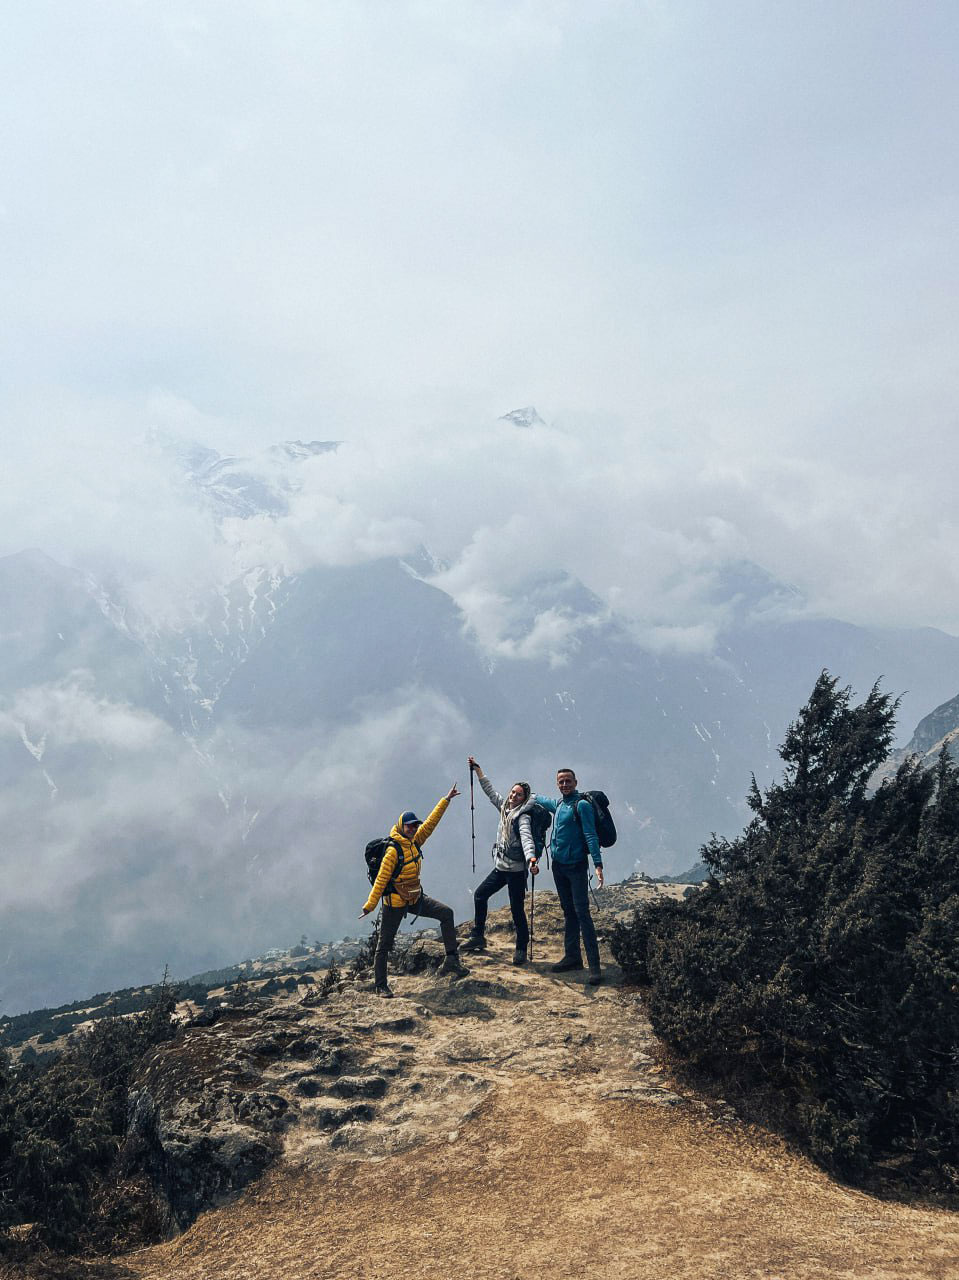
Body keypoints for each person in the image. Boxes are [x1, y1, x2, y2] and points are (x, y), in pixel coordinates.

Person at [360, 783, 468, 997]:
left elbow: (430, 823)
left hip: (415, 897)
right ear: (401, 826)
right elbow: (381, 880)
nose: (413, 829)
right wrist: (369, 906)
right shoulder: (393, 851)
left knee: (446, 914)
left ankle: (452, 961)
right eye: (409, 826)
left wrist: (446, 800)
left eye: (414, 826)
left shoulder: (415, 841)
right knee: (384, 945)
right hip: (395, 904)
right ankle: (380, 986)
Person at [462, 756, 540, 965]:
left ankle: (521, 949)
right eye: (513, 792)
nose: (513, 795)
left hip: (516, 871)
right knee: (480, 895)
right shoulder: (505, 807)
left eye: (518, 794)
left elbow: (526, 838)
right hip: (501, 866)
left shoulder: (522, 817)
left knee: (516, 909)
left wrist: (532, 858)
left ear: (524, 799)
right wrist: (479, 771)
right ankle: (478, 935)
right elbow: (490, 791)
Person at [535, 768, 605, 986]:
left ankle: (594, 966)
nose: (564, 785)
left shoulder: (581, 805)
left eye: (568, 781)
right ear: (557, 784)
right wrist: (524, 794)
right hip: (559, 866)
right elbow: (542, 800)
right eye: (561, 782)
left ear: (576, 782)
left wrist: (598, 864)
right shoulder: (558, 804)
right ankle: (573, 957)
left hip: (576, 866)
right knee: (569, 911)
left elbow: (591, 834)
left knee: (582, 912)